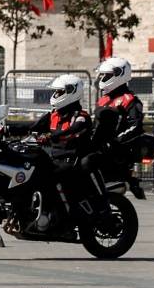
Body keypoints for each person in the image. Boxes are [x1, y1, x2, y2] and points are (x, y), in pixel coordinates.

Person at [12, 74, 95, 231]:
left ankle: (53, 217)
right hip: (55, 159)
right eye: (55, 92)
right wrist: (7, 129)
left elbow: (74, 130)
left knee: (46, 178)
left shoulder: (81, 117)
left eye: (59, 92)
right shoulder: (53, 115)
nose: (55, 95)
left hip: (72, 161)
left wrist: (50, 136)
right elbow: (32, 126)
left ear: (71, 92)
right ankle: (29, 212)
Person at [92, 56, 147, 199]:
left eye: (107, 75)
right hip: (99, 145)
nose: (103, 78)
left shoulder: (129, 100)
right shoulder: (104, 99)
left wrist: (114, 142)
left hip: (116, 150)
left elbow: (136, 126)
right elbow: (96, 125)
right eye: (103, 75)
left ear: (120, 75)